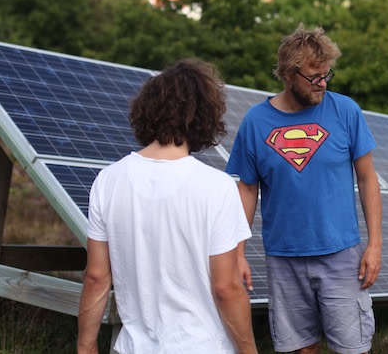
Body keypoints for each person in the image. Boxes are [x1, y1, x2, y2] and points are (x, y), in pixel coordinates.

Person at [77, 59, 257, 354]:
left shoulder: (108, 180)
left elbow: (97, 276)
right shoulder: (217, 186)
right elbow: (226, 287)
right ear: (204, 117)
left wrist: (85, 347)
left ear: (146, 110)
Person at [226, 24, 382, 354]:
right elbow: (247, 190)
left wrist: (375, 245)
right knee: (300, 349)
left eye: (326, 75)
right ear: (287, 73)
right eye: (314, 77)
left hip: (341, 254)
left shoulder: (346, 111)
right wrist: (237, 252)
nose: (322, 83)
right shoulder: (256, 122)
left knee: (352, 348)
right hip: (283, 258)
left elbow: (368, 178)